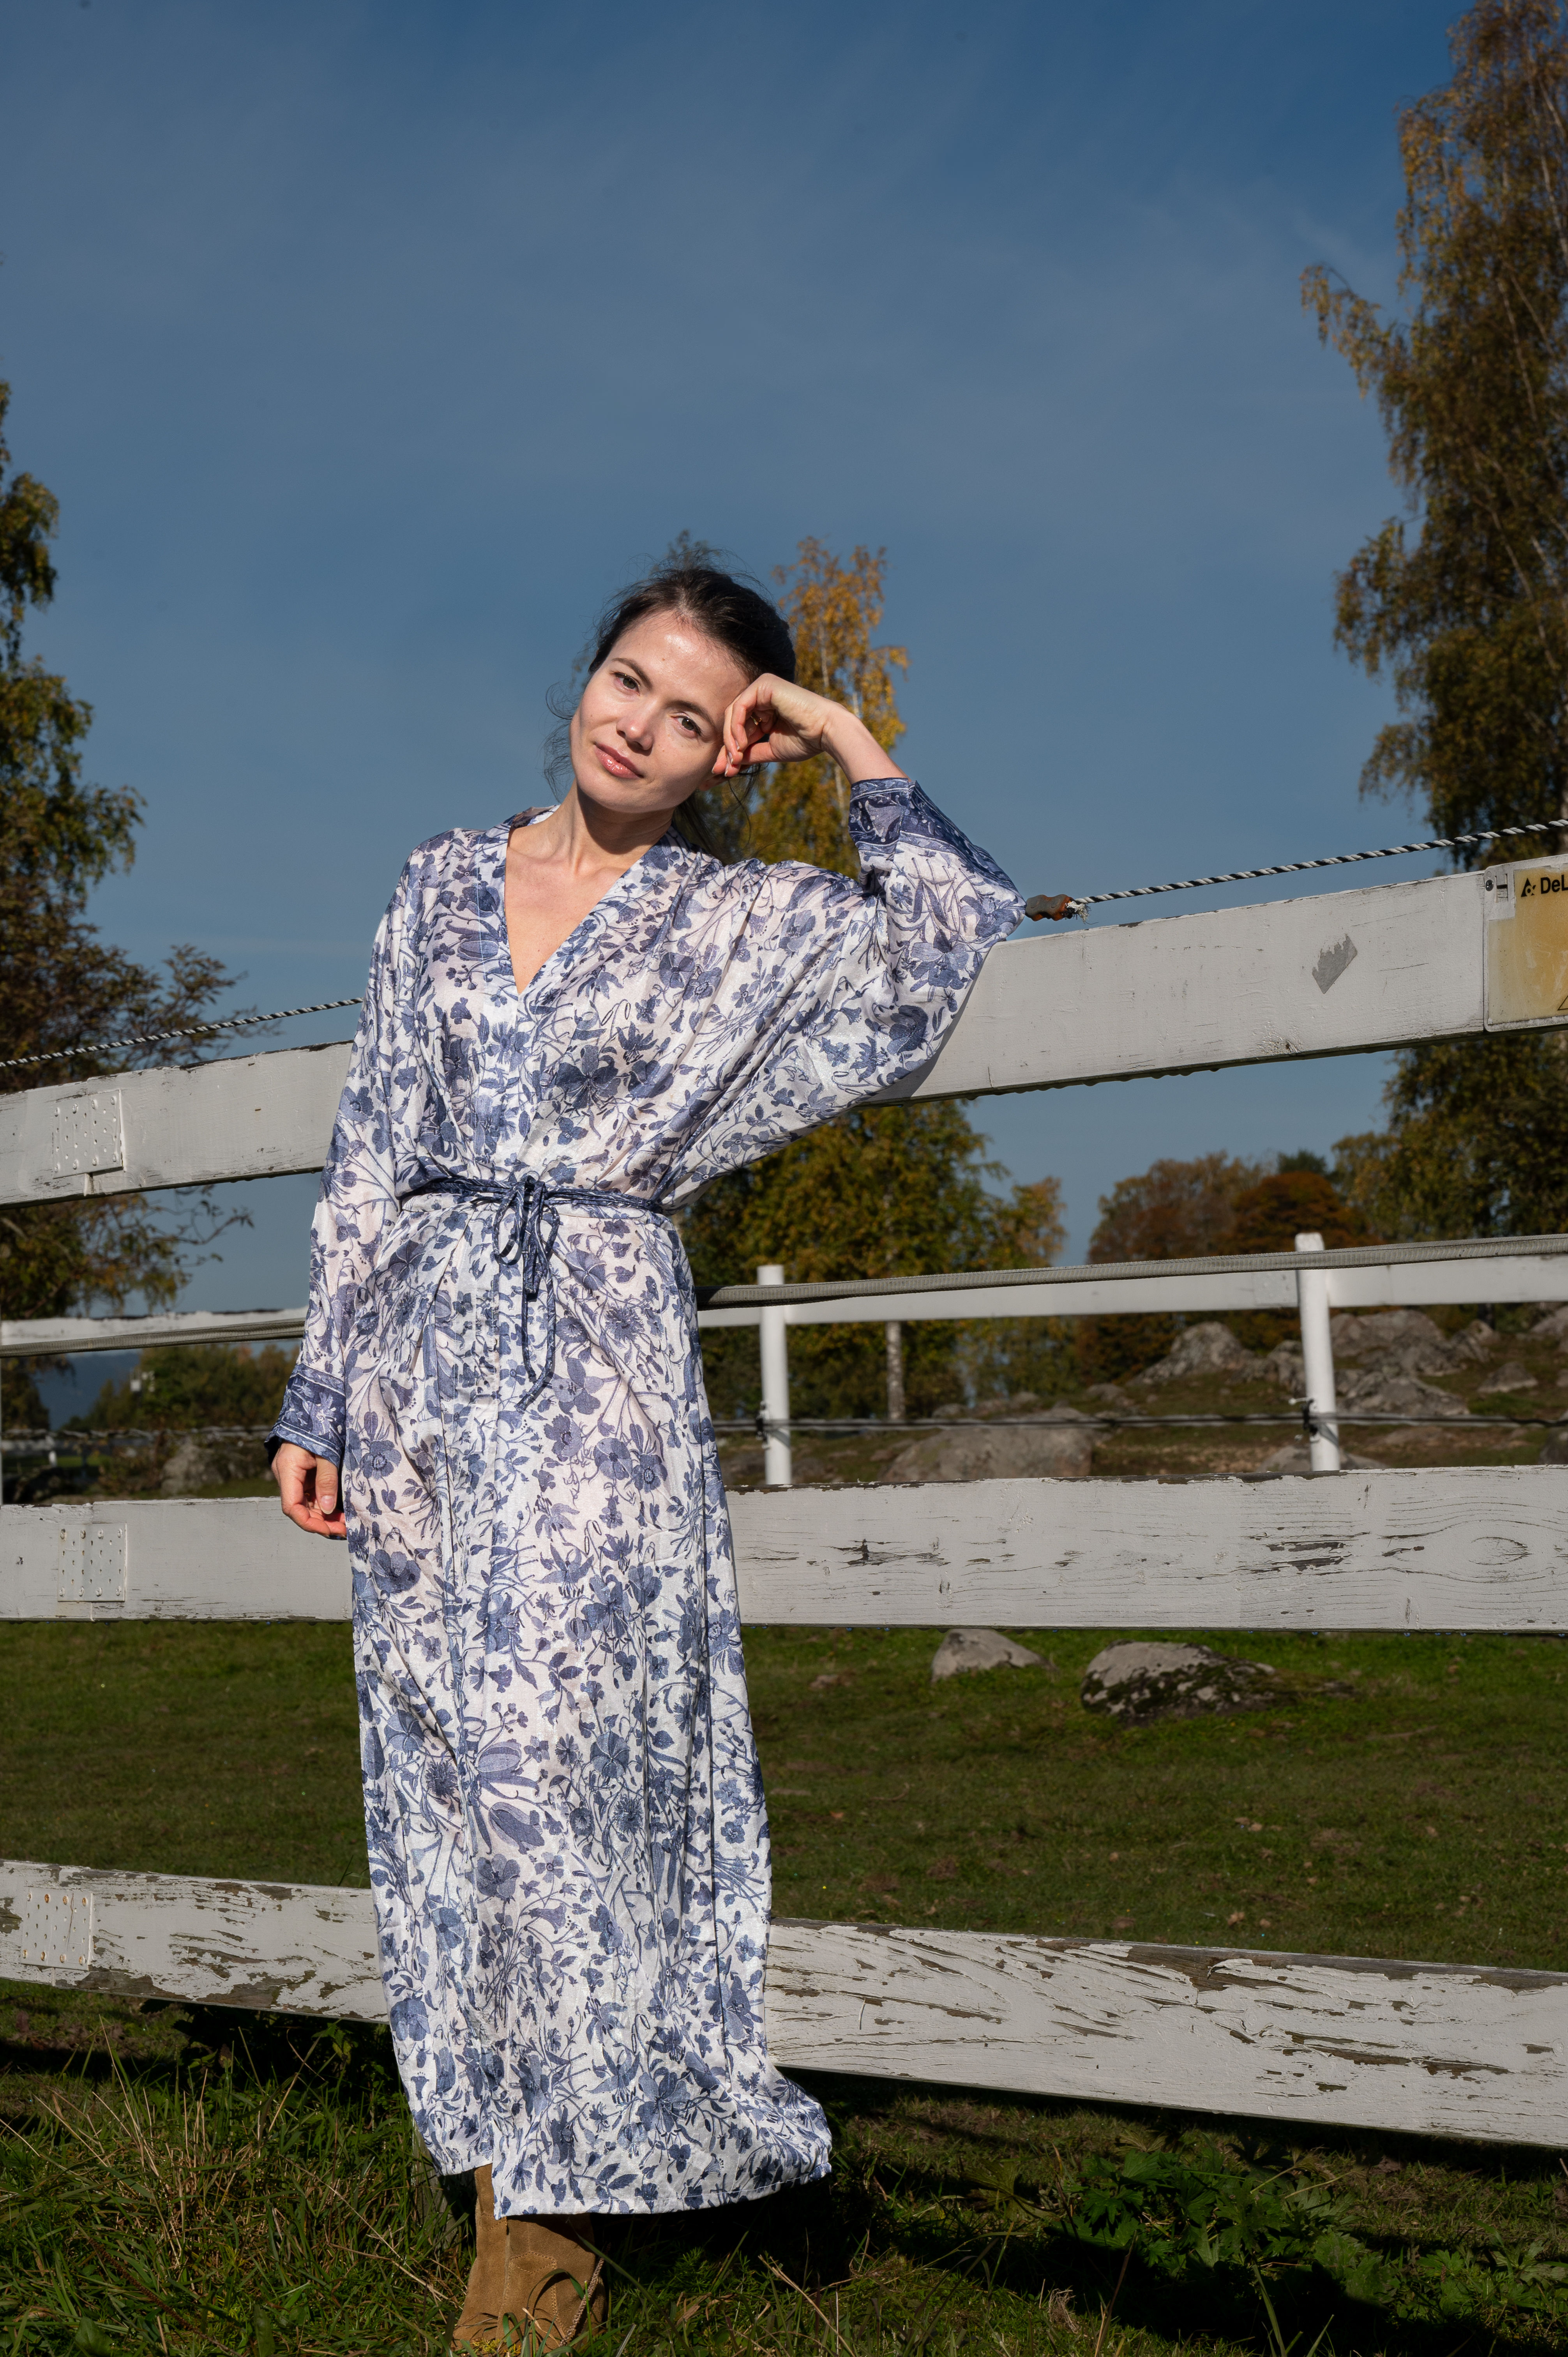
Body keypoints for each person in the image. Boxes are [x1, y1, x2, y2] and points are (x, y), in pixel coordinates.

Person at [269, 561, 1022, 2350]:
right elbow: (374, 1143)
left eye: (690, 714)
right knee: (451, 1777)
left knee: (569, 1782)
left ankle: (547, 2236)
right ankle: (512, 2174)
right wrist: (322, 1390)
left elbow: (944, 934)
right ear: (587, 676)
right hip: (428, 1372)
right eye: (627, 679)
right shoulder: (435, 881)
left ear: (723, 756)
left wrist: (847, 739)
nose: (637, 721)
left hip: (598, 1378)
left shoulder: (729, 918)